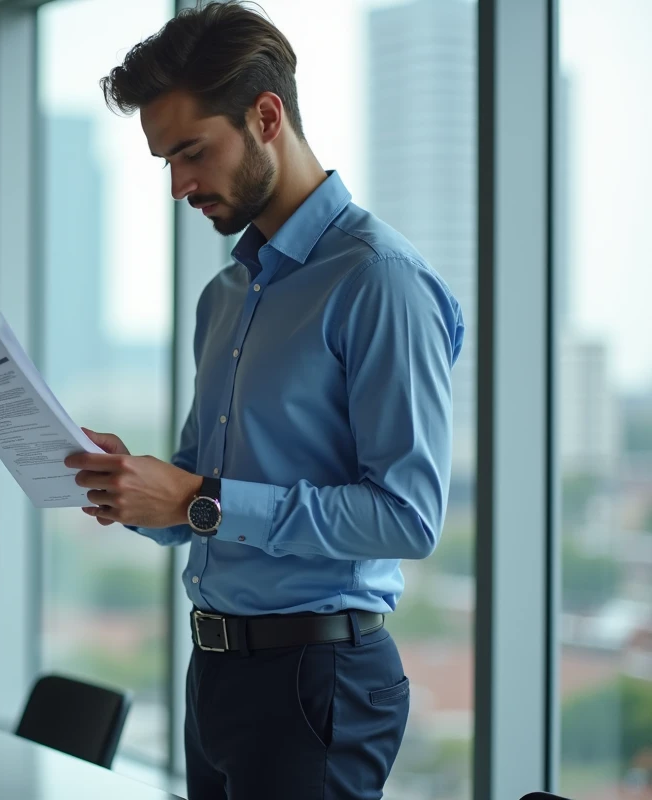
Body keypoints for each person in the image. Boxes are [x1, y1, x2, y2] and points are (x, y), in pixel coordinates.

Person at [63, 3, 465, 798]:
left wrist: (201, 500)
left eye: (191, 152)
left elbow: (408, 518)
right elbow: (197, 488)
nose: (178, 185)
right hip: (213, 673)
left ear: (266, 116)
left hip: (321, 683)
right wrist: (140, 490)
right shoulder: (224, 297)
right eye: (164, 162)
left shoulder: (378, 281)